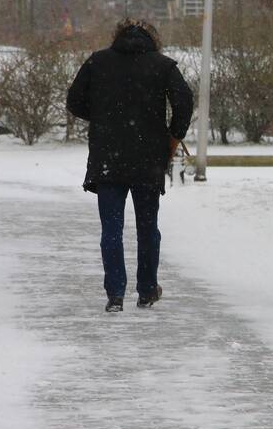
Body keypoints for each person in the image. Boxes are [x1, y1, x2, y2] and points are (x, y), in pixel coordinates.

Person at [66, 18, 194, 312]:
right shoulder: (163, 66)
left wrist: (102, 116)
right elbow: (184, 101)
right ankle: (147, 290)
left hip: (108, 157)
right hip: (149, 158)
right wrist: (173, 136)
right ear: (153, 40)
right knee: (148, 227)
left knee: (111, 228)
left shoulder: (98, 62)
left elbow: (74, 101)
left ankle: (115, 293)